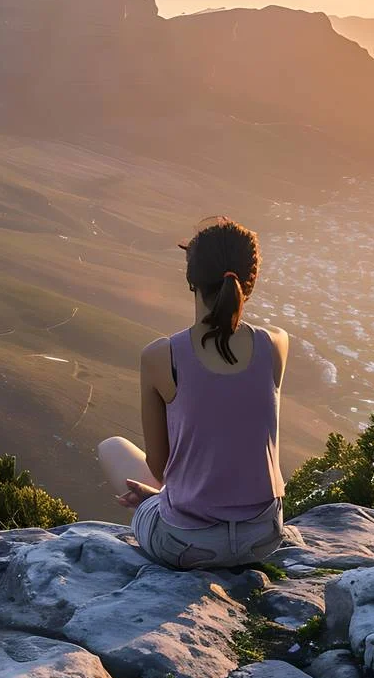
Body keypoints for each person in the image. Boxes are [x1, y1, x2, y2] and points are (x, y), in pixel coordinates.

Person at [98, 216, 290, 570]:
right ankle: (168, 504)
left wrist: (158, 500)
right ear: (251, 281)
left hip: (187, 543)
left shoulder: (161, 356)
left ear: (191, 279)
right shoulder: (275, 344)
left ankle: (161, 507)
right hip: (262, 537)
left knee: (111, 447)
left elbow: (160, 466)